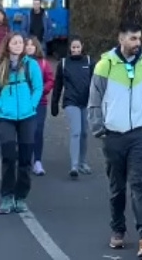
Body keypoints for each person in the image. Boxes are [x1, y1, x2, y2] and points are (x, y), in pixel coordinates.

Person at [88, 20, 142, 257]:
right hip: (113, 135)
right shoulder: (104, 65)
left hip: (140, 134)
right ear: (121, 39)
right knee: (117, 187)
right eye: (132, 39)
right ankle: (118, 230)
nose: (137, 43)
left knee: (138, 182)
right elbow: (95, 99)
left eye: (139, 38)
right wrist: (98, 127)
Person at [0, 32, 43, 215]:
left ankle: (21, 197)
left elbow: (38, 87)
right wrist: (1, 106)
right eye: (15, 42)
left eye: (21, 43)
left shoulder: (30, 65)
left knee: (25, 159)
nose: (19, 45)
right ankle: (7, 196)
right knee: (9, 156)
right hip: (6, 117)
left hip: (27, 116)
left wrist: (32, 104)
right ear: (8, 45)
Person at [51, 36, 93, 179]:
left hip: (86, 102)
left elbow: (96, 84)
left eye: (78, 47)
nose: (75, 50)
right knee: (76, 131)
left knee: (84, 133)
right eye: (73, 47)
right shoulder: (63, 64)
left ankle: (83, 162)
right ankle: (74, 165)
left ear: (82, 47)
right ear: (70, 48)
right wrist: (54, 104)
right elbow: (57, 86)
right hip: (71, 102)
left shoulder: (89, 62)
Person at [24, 35, 54, 176]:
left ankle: (37, 161)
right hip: (23, 102)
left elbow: (50, 80)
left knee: (38, 130)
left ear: (36, 47)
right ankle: (25, 159)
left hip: (40, 103)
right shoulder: (20, 63)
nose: (29, 47)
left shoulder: (43, 63)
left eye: (32, 45)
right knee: (25, 131)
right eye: (27, 45)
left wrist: (42, 90)